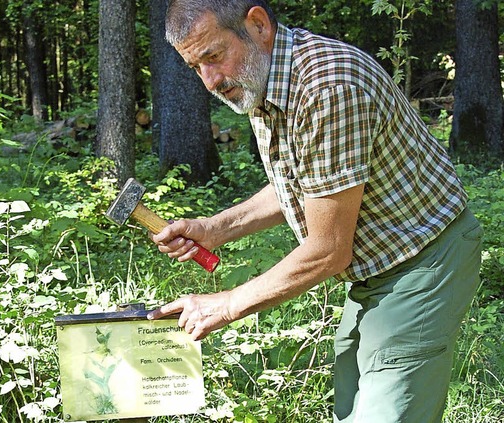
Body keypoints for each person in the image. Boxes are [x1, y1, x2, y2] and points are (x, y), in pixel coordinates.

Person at [145, 1, 483, 422]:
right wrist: (214, 228)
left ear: (258, 24)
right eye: (196, 67)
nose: (210, 81)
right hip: (374, 271)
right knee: (349, 409)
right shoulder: (262, 80)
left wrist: (228, 303)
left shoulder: (328, 87)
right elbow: (305, 183)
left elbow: (328, 250)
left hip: (424, 262)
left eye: (214, 56)